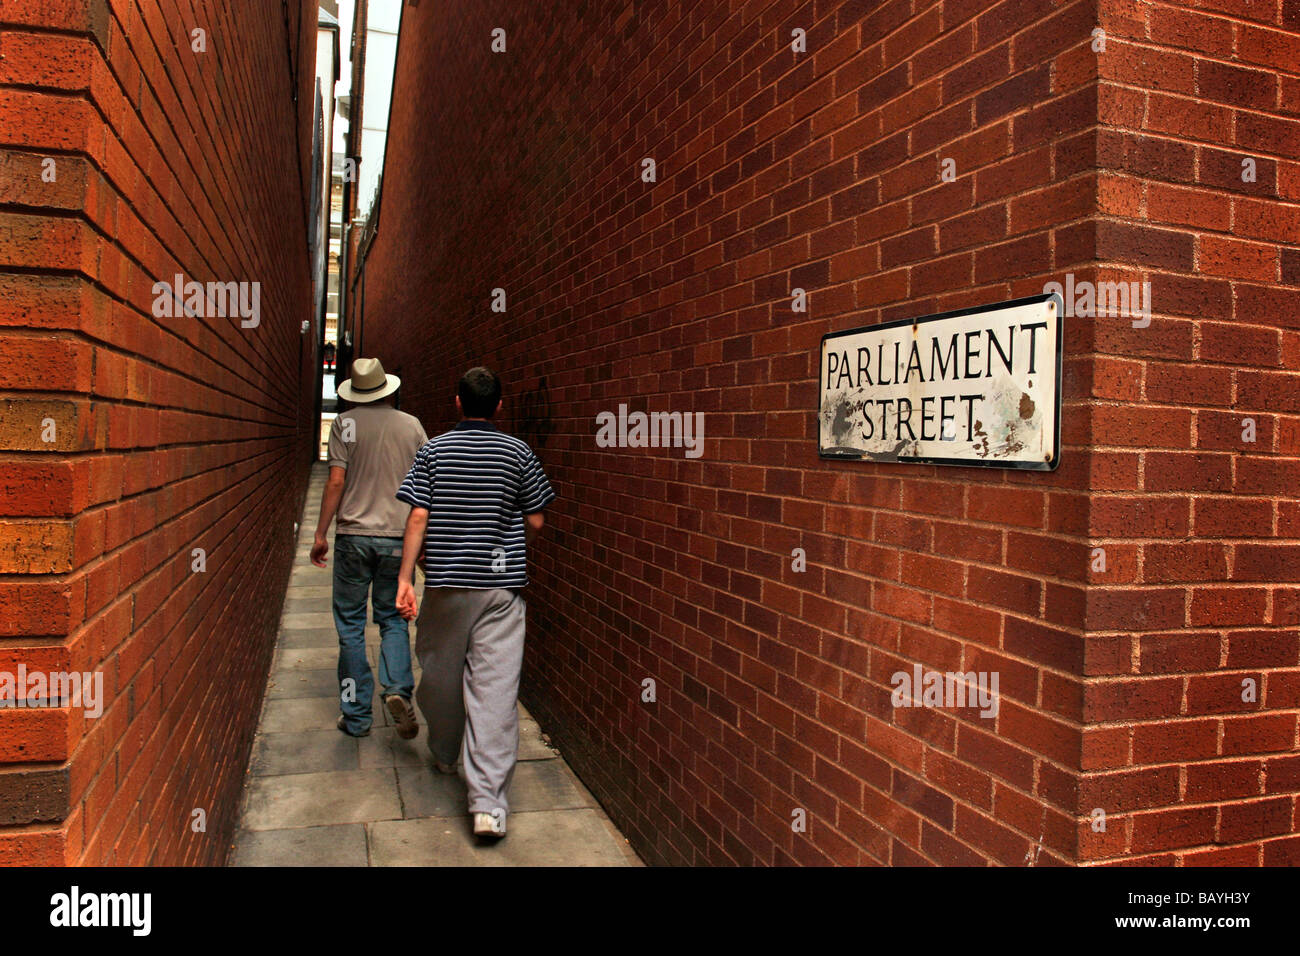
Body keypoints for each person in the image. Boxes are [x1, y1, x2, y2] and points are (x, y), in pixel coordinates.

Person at [394, 367, 555, 839]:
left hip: (445, 587)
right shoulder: (518, 452)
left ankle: (445, 754)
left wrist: (405, 578)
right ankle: (488, 805)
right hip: (500, 591)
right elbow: (539, 521)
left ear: (458, 403)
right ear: (499, 407)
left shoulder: (434, 450)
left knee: (440, 678)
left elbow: (419, 513)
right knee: (495, 692)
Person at [312, 357, 427, 740]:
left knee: (350, 626)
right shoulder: (411, 426)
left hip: (353, 538)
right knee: (393, 619)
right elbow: (428, 486)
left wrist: (320, 533)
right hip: (397, 538)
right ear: (387, 389)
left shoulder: (344, 424)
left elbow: (335, 482)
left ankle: (357, 715)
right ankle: (397, 689)